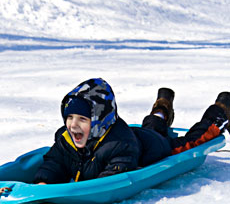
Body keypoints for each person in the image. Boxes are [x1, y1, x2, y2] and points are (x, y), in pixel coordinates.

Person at [34, 78, 230, 184]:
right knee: (151, 129)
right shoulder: (66, 139)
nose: (73, 125)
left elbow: (112, 180)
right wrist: (44, 182)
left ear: (102, 121)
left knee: (194, 141)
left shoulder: (120, 146)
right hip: (139, 137)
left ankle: (221, 110)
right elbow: (55, 162)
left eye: (82, 119)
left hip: (156, 147)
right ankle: (161, 109)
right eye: (69, 118)